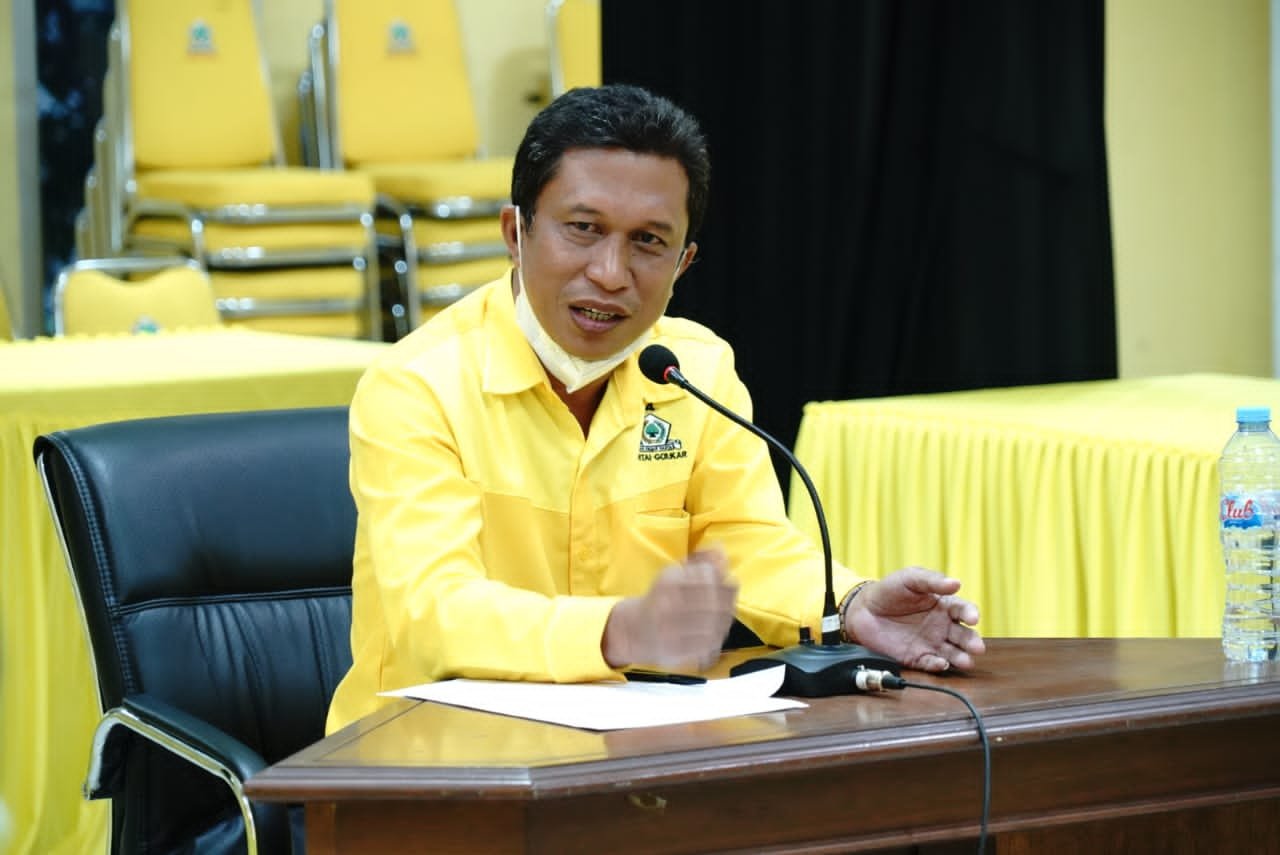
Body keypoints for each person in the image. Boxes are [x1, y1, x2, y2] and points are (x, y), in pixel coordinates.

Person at [325, 84, 984, 733]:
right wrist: (619, 629)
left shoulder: (695, 372)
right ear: (515, 233)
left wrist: (851, 604)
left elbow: (747, 544)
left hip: (620, 745)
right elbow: (434, 610)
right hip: (419, 755)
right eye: (583, 229)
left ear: (684, 262)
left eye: (648, 241)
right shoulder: (417, 386)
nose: (611, 273)